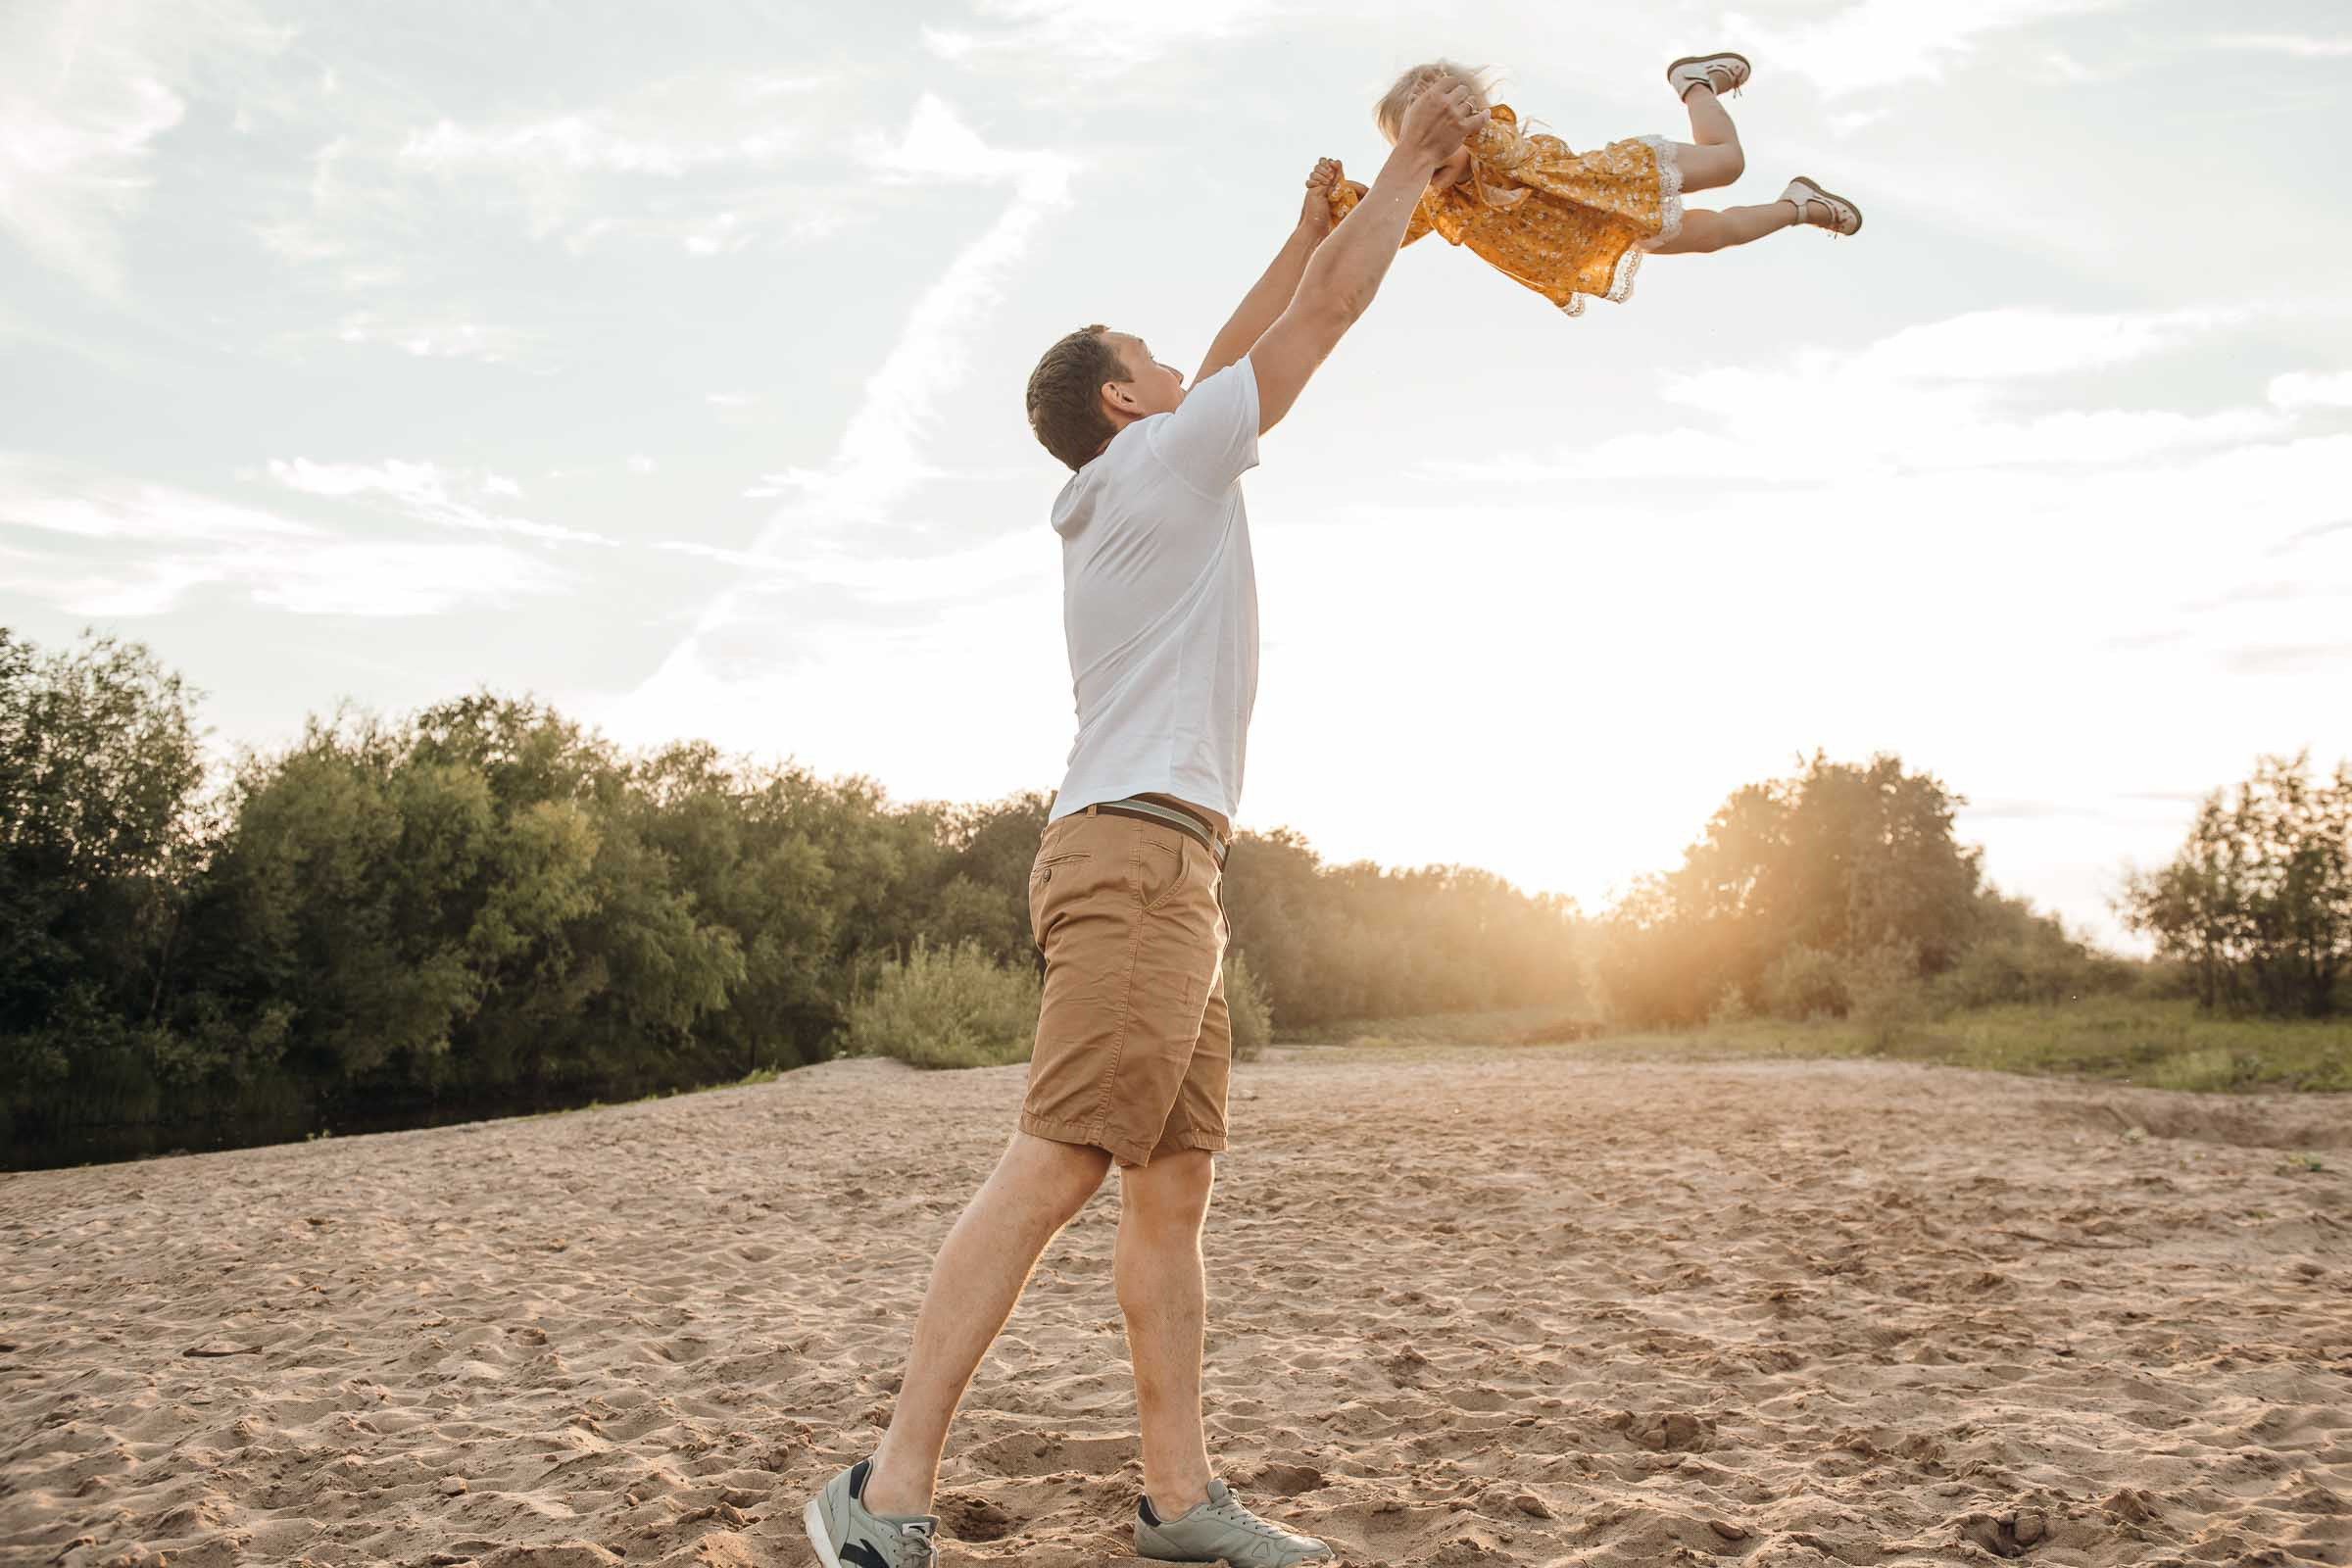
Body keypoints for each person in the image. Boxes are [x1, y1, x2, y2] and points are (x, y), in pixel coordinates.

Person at [799, 74, 1493, 1568]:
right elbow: (1314, 331)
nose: (1188, 366)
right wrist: (1408, 176)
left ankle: (1179, 1507)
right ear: (1125, 400)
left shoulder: (1140, 470)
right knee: (1058, 1159)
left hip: (1168, 864)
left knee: (1171, 1191)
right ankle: (884, 1490)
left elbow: (1247, 340)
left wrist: (1302, 228)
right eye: (1155, 358)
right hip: (1134, 863)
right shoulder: (1167, 461)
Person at [1326, 53, 1864, 317]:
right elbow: (1381, 226)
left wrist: (1462, 118)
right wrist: (1340, 197)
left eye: (1435, 136)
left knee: (1728, 164)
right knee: (1715, 234)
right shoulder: (1437, 203)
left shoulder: (1498, 145)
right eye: (1410, 144)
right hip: (1610, 232)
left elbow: (1494, 142)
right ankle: (1798, 205)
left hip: (1618, 181)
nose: (1423, 154)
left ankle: (1695, 84)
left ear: (1467, 123)